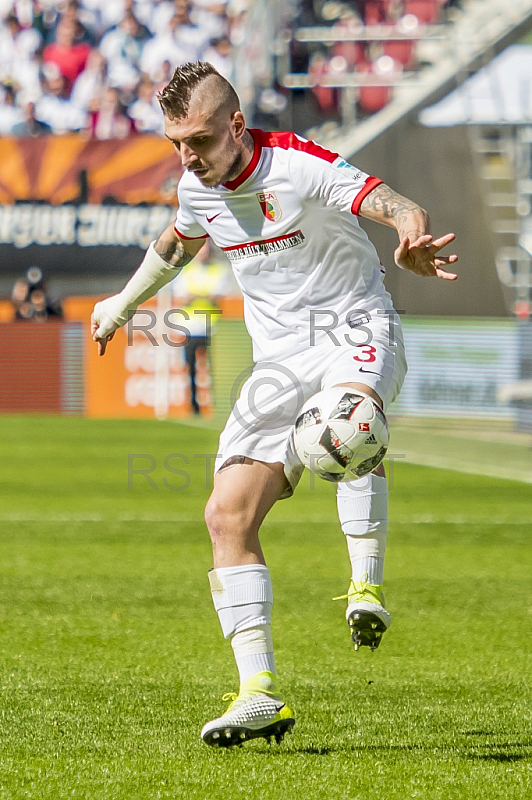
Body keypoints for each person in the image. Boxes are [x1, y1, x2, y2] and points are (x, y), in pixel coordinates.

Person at [91, 61, 458, 748]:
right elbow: (177, 241)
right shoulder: (195, 187)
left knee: (350, 426)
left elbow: (389, 201)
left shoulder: (297, 164)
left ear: (235, 125)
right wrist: (122, 301)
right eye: (175, 143)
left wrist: (410, 231)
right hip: (278, 360)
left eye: (198, 140)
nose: (186, 157)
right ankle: (259, 692)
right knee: (225, 513)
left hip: (353, 326)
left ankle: (365, 585)